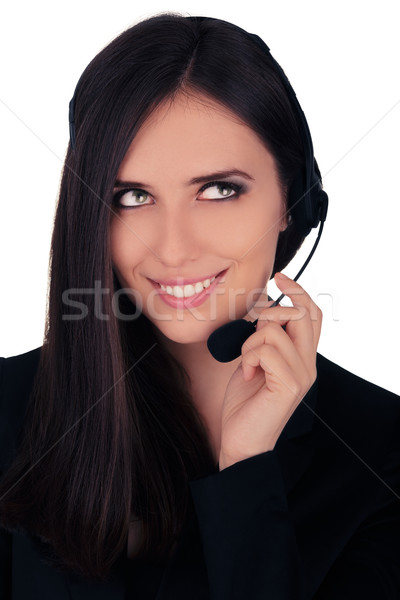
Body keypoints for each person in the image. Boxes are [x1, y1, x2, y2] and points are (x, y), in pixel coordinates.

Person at [0, 12, 399, 599]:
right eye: (133, 197)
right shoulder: (9, 414)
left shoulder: (382, 454)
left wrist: (246, 472)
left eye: (218, 190)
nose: (173, 248)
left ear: (291, 199)